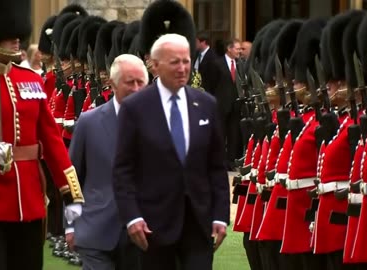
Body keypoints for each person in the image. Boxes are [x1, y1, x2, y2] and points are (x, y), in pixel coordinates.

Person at [0, 0, 84, 269]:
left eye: (17, 36)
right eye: (10, 37)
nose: (17, 42)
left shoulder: (31, 80)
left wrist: (71, 194)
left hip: (32, 199)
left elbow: (52, 141)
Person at [113, 33, 230, 270]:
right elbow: (123, 169)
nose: (182, 68)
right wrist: (132, 217)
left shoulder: (206, 104)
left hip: (198, 223)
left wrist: (220, 215)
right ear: (155, 65)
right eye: (175, 62)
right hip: (152, 226)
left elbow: (216, 167)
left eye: (186, 61)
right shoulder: (136, 107)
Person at [67, 54, 147, 270]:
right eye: (130, 82)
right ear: (112, 84)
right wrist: (69, 226)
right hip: (96, 232)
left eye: (141, 83)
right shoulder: (88, 122)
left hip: (142, 233)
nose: (137, 89)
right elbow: (72, 179)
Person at [213, 38, 243, 170]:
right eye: (237, 49)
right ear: (229, 49)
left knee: (233, 134)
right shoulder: (216, 64)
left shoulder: (241, 64)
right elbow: (211, 85)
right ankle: (219, 161)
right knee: (220, 134)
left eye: (240, 49)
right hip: (221, 105)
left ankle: (231, 161)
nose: (239, 51)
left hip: (236, 105)